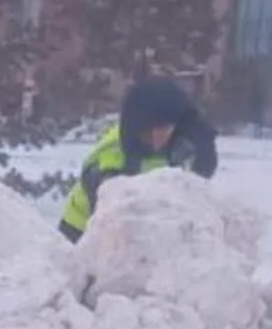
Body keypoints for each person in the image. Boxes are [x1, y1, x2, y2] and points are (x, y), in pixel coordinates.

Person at [59, 76, 213, 242]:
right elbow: (119, 220)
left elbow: (200, 176)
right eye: (151, 130)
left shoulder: (179, 144)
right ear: (137, 125)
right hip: (81, 231)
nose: (159, 137)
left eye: (165, 128)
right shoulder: (111, 161)